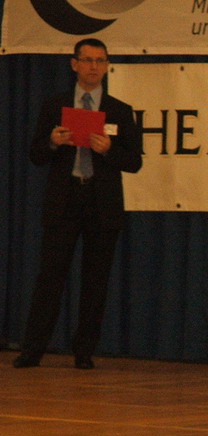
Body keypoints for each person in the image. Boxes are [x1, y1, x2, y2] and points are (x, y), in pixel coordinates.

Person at [13, 38, 142, 370]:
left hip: (101, 203)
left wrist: (109, 150)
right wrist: (53, 142)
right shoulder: (54, 106)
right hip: (64, 199)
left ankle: (84, 351)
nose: (94, 67)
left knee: (95, 280)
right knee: (50, 276)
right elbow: (36, 154)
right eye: (87, 60)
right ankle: (33, 349)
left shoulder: (119, 110)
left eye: (100, 61)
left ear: (107, 66)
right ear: (74, 64)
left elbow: (134, 162)